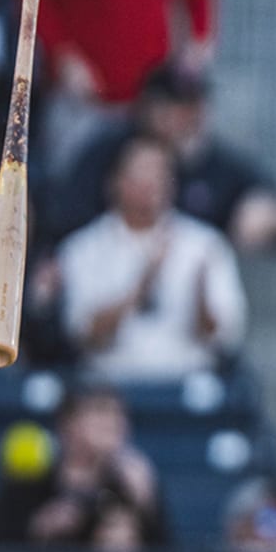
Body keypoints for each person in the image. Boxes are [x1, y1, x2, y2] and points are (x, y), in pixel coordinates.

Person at [27, 0, 216, 168]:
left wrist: (198, 43)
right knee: (71, 176)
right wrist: (62, 55)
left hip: (148, 98)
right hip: (83, 93)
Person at [46, 63, 276, 252]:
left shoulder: (209, 162)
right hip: (108, 281)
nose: (191, 116)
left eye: (196, 104)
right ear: (150, 106)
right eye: (180, 106)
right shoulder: (108, 150)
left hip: (182, 305)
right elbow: (66, 216)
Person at [58, 134, 247, 380]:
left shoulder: (205, 245)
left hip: (185, 386)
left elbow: (224, 337)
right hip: (110, 386)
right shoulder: (83, 247)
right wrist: (139, 288)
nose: (151, 183)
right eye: (141, 173)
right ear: (115, 181)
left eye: (160, 173)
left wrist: (201, 297)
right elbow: (82, 334)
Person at [0, 385, 168, 552]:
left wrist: (146, 505)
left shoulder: (133, 481)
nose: (114, 423)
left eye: (119, 413)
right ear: (67, 423)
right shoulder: (31, 477)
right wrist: (39, 527)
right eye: (100, 410)